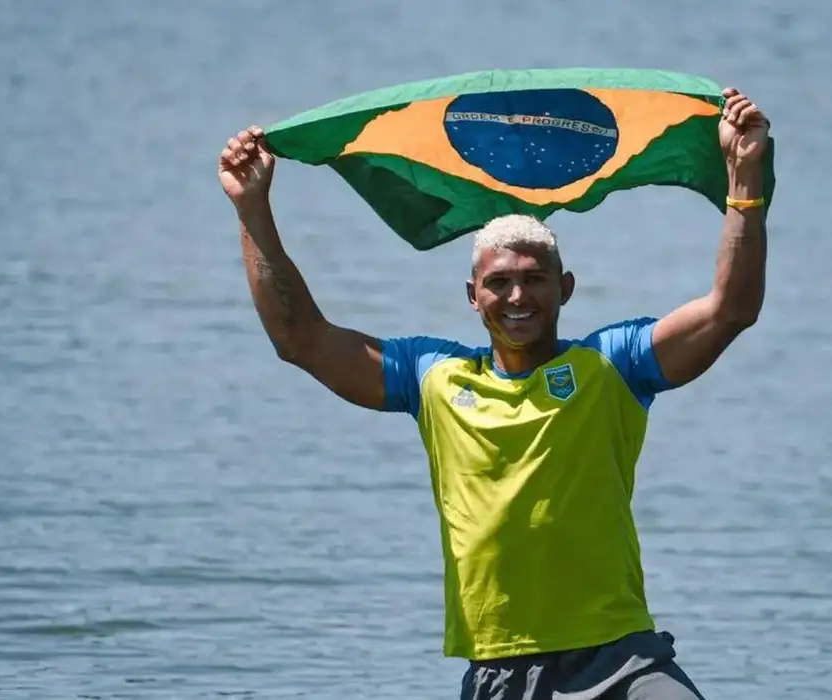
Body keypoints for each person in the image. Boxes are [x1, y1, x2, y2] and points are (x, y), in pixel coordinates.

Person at [218, 87, 771, 700]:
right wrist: (252, 210)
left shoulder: (613, 365)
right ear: (472, 295)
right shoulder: (433, 376)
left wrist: (744, 182)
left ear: (565, 288)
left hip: (619, 658)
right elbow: (303, 340)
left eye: (534, 280)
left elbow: (730, 310)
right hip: (500, 670)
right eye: (499, 283)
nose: (517, 297)